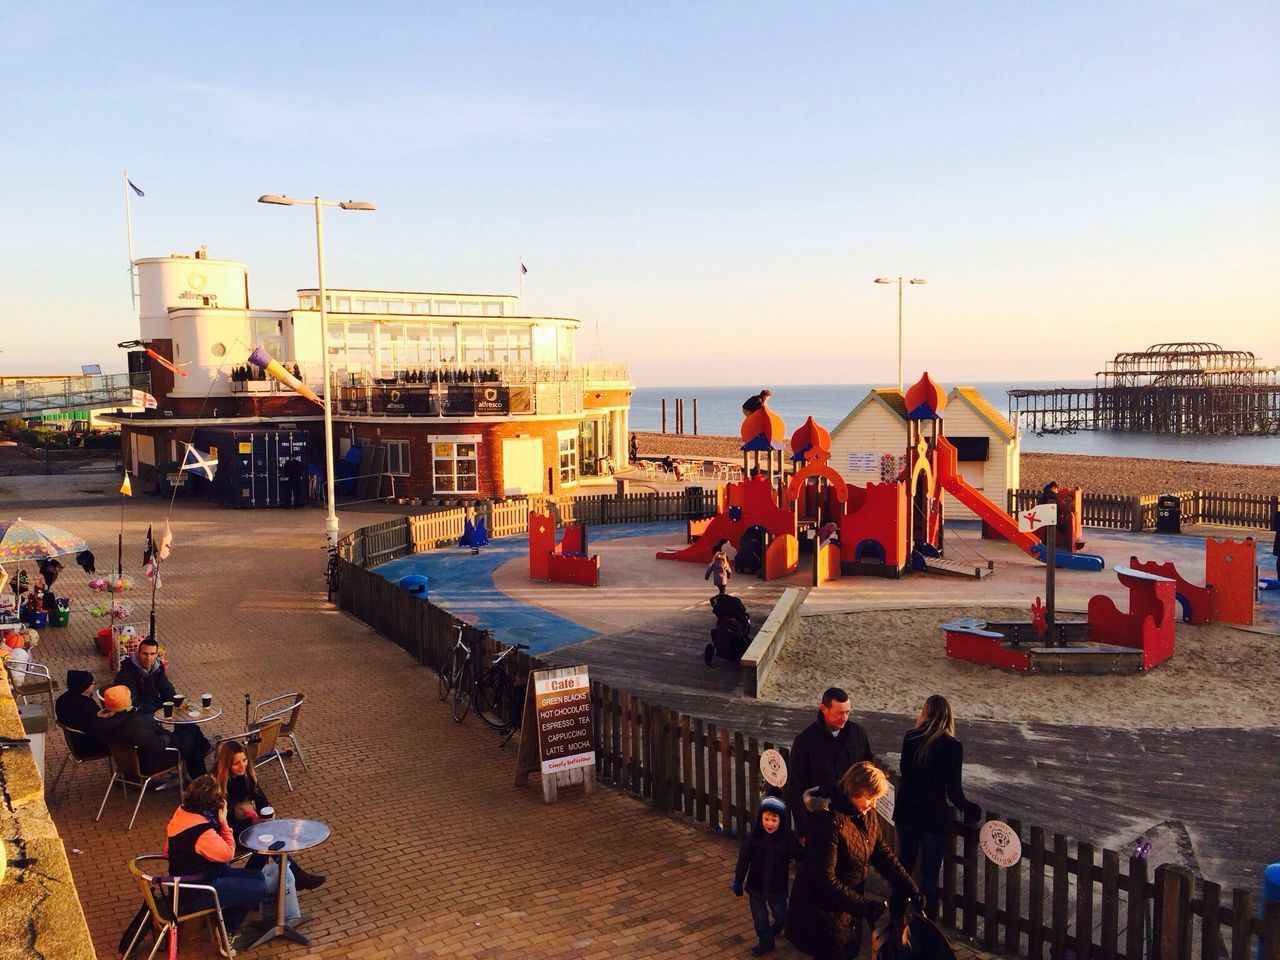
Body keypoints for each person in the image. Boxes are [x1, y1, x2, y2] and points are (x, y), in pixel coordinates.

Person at [787, 762, 922, 960]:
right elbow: (824, 880)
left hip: (846, 909)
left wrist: (909, 886)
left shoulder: (864, 813)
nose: (874, 805)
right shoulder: (826, 822)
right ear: (855, 791)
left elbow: (881, 852)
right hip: (821, 913)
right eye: (871, 798)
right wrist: (865, 907)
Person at [895, 695, 983, 920]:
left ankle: (895, 918)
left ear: (925, 712)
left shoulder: (910, 737)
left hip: (906, 812)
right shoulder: (952, 746)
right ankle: (926, 925)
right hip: (932, 818)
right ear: (948, 716)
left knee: (902, 869)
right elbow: (955, 792)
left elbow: (906, 773)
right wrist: (971, 809)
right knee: (929, 877)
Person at [164, 775, 270, 941]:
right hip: (198, 890)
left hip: (185, 883)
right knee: (259, 889)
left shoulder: (181, 812)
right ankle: (226, 929)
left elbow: (166, 851)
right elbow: (228, 853)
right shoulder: (201, 830)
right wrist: (223, 821)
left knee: (258, 876)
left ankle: (222, 918)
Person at [212, 740, 326, 889]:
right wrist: (246, 817)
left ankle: (253, 884)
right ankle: (290, 875)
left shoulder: (247, 777)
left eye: (244, 760)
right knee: (266, 843)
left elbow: (262, 801)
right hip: (223, 831)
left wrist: (267, 813)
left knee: (269, 839)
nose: (242, 766)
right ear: (227, 764)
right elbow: (219, 819)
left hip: (245, 826)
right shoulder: (216, 784)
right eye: (236, 763)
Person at [787, 687, 876, 842]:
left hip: (853, 816)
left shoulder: (858, 734)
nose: (845, 717)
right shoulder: (805, 741)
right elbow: (796, 787)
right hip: (821, 819)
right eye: (839, 713)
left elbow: (868, 772)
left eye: (847, 712)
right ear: (824, 709)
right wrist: (803, 829)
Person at [95, 685, 209, 780]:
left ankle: (203, 754)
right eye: (129, 697)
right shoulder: (134, 724)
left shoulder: (104, 722)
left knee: (187, 730)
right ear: (125, 702)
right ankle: (201, 781)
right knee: (191, 731)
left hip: (128, 762)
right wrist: (167, 735)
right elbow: (157, 745)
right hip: (150, 762)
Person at [734, 793, 800, 956]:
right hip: (755, 886)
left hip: (776, 888)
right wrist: (739, 878)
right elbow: (744, 859)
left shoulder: (786, 839)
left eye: (774, 820)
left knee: (781, 913)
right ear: (760, 818)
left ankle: (780, 924)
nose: (769, 824)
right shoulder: (754, 837)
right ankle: (766, 940)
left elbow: (800, 854)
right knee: (759, 917)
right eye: (766, 819)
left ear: (781, 821)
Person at [113, 636, 176, 714]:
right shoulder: (127, 674)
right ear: (139, 654)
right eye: (145, 654)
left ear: (156, 654)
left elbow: (167, 688)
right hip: (135, 714)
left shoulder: (158, 668)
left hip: (153, 706)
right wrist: (157, 711)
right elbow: (131, 703)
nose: (148, 658)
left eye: (152, 654)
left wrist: (175, 702)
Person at [54, 669, 107, 756]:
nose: (93, 684)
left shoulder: (62, 700)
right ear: (85, 686)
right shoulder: (85, 706)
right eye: (92, 682)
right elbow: (99, 726)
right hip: (89, 746)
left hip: (76, 743)